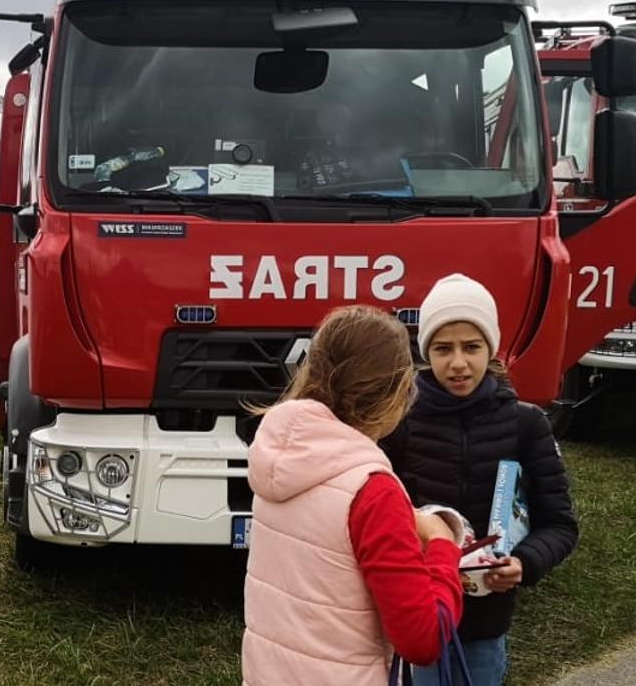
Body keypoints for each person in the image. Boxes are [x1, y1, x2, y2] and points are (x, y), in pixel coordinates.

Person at [243, 305, 466, 686]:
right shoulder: (373, 492)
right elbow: (422, 638)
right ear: (397, 390)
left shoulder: (280, 457)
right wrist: (444, 545)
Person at [379, 273, 579, 686]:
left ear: (491, 348)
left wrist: (524, 564)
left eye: (471, 347)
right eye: (442, 348)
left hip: (485, 624)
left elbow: (559, 524)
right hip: (418, 617)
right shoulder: (397, 423)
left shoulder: (527, 424)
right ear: (425, 353)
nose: (457, 363)